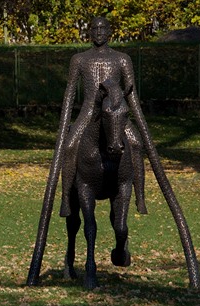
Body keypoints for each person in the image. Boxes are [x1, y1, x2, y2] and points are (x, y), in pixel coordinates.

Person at [59, 16, 147, 217]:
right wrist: (64, 124)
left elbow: (131, 93)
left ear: (110, 32)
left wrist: (140, 122)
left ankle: (140, 196)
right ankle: (65, 199)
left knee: (135, 144)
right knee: (70, 146)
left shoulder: (122, 59)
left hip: (115, 112)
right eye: (95, 29)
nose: (99, 33)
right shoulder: (79, 59)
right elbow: (70, 93)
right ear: (89, 33)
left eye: (103, 29)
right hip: (89, 113)